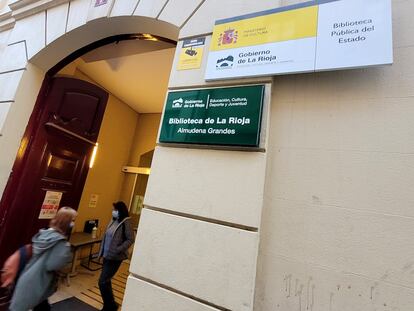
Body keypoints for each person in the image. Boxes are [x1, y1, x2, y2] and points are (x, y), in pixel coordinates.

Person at [9, 206, 77, 311]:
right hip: (38, 281)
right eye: (72, 220)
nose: (73, 223)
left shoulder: (45, 234)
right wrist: (66, 252)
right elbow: (53, 265)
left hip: (28, 276)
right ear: (66, 222)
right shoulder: (61, 243)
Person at [98, 201, 134, 311]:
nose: (113, 211)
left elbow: (130, 239)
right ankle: (111, 304)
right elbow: (107, 236)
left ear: (120, 210)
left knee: (102, 282)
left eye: (115, 210)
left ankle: (110, 306)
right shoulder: (113, 221)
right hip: (107, 255)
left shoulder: (126, 222)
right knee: (106, 280)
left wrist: (118, 249)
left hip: (115, 257)